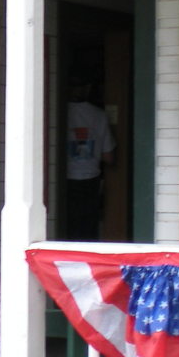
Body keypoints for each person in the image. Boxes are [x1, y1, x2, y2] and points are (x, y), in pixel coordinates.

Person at [65, 73, 115, 241]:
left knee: (67, 226)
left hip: (65, 179)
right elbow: (109, 157)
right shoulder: (99, 115)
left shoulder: (59, 113)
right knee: (87, 227)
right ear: (88, 89)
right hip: (90, 180)